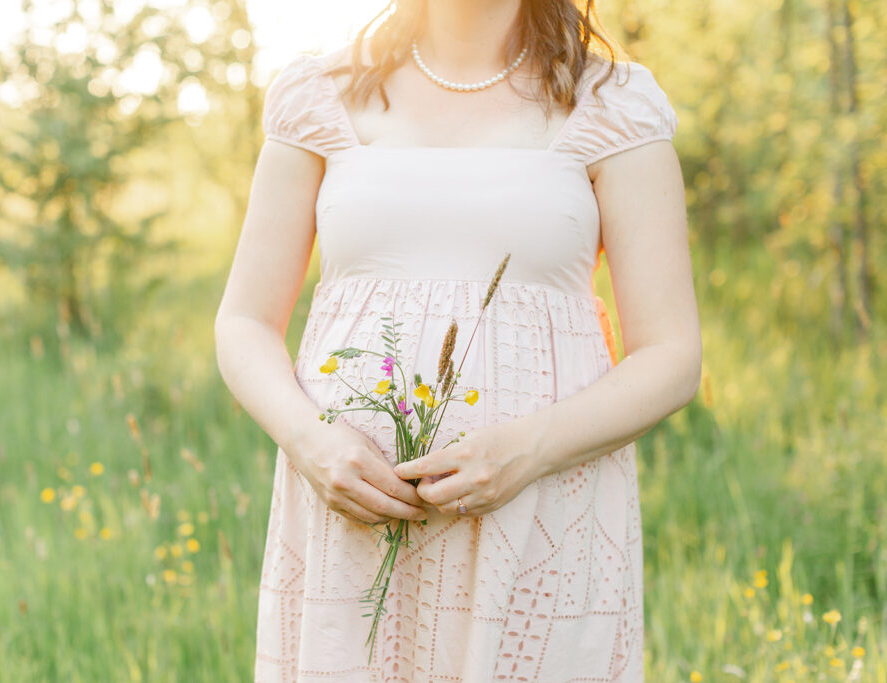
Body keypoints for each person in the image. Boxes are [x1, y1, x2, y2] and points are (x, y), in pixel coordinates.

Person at [214, 0, 702, 679]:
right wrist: (309, 440)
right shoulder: (320, 96)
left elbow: (672, 355)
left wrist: (526, 451)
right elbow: (243, 322)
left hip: (538, 516)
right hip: (353, 520)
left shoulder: (612, 104)